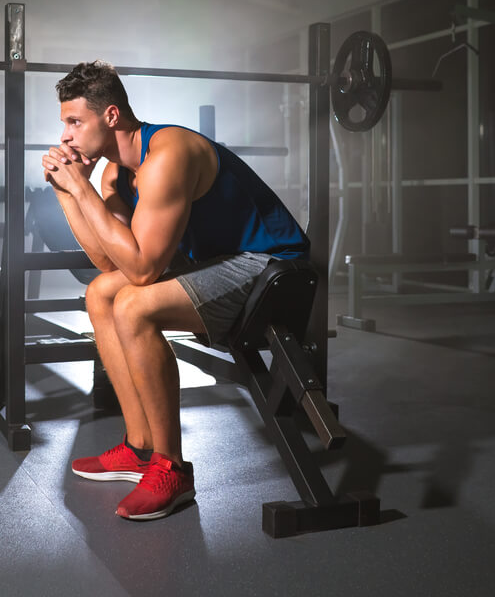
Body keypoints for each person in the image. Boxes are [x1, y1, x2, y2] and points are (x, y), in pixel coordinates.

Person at [41, 60, 308, 521]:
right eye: (64, 123)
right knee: (100, 293)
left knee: (133, 306)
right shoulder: (113, 174)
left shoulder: (167, 155)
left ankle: (173, 469)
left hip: (270, 264)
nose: (65, 135)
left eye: (74, 121)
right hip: (214, 262)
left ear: (110, 117)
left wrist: (80, 191)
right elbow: (110, 261)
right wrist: (71, 193)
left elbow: (142, 272)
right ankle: (139, 448)